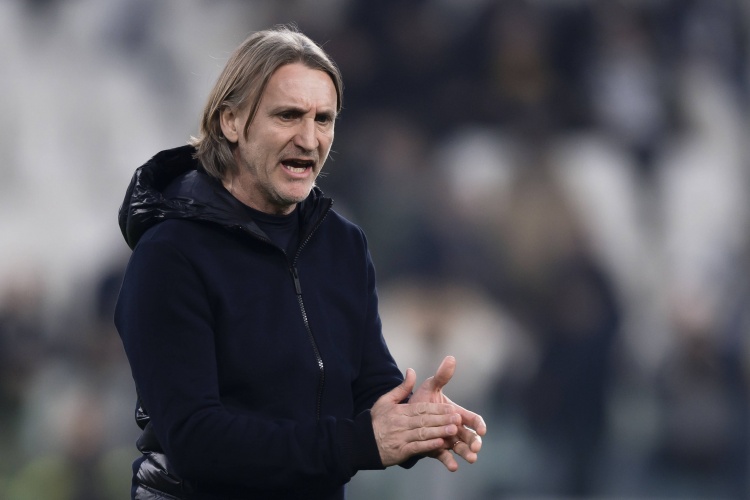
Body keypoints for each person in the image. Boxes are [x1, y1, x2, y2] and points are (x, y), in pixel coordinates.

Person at [114, 25, 486, 500]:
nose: (309, 139)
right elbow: (196, 440)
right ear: (231, 122)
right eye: (288, 115)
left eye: (323, 119)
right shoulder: (170, 255)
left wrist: (415, 421)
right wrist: (358, 443)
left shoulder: (343, 244)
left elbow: (368, 384)